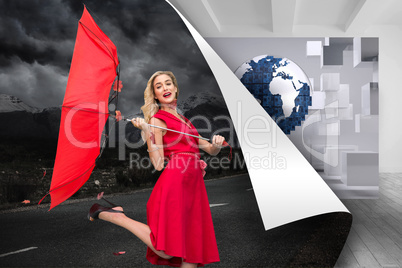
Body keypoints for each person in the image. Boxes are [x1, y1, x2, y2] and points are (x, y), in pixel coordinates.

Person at [88, 71, 225, 268]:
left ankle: (114, 213)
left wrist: (218, 144)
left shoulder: (185, 121)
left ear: (176, 88)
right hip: (175, 184)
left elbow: (210, 150)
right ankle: (115, 215)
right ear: (155, 95)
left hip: (194, 188)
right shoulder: (157, 120)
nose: (164, 88)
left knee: (191, 252)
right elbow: (159, 163)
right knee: (166, 250)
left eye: (168, 83)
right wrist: (146, 131)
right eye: (158, 86)